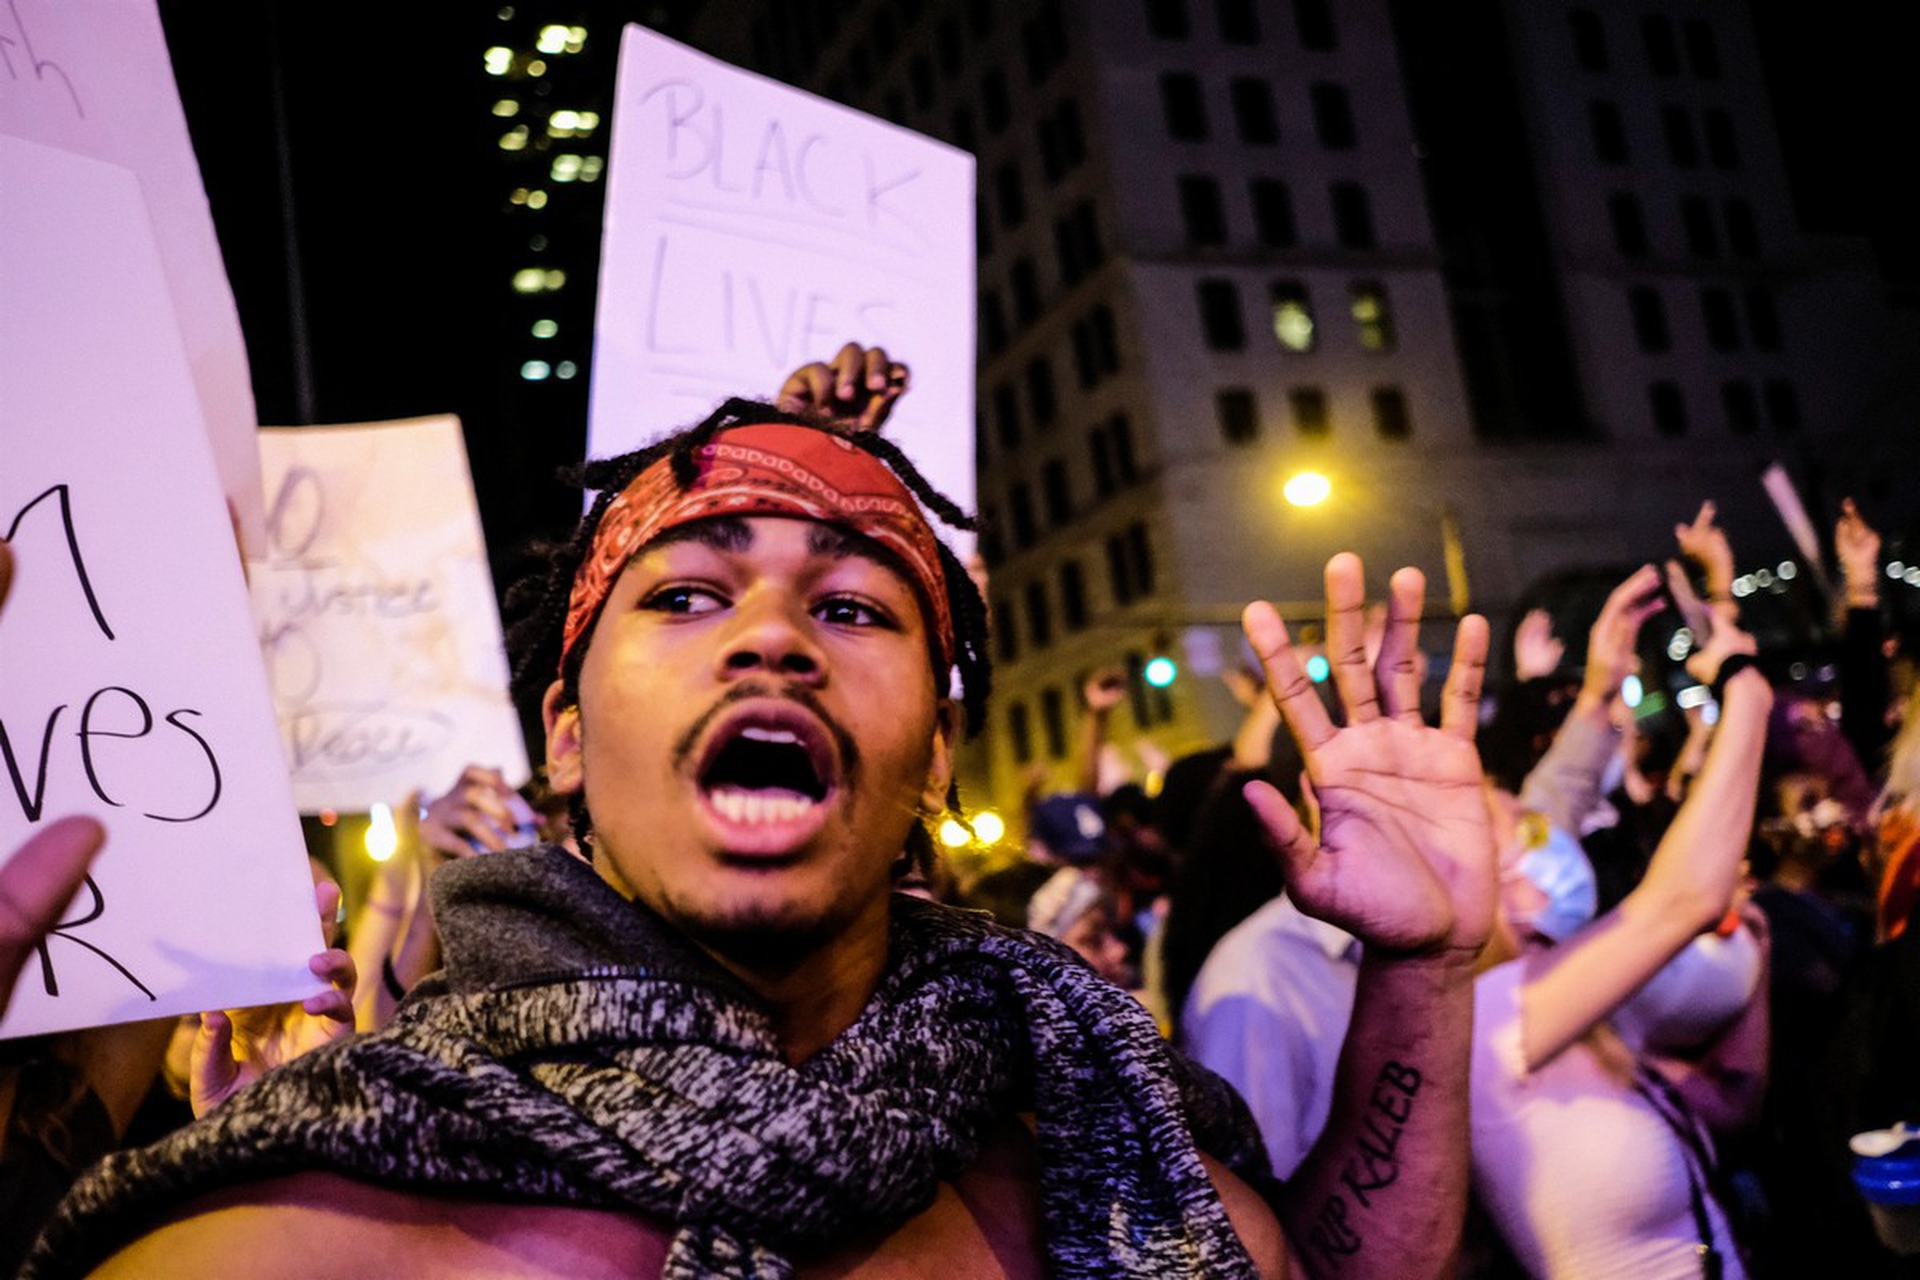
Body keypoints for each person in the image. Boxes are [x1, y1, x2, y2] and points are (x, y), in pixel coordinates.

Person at [30, 362, 1495, 1278]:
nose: (774, 636)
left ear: (935, 756)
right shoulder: (310, 1223)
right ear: (565, 737)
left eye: (854, 606)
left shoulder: (1101, 1135)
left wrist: (1423, 979)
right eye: (684, 595)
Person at [1469, 561, 1773, 1278]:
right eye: (1511, 825)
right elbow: (1684, 897)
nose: (1537, 836)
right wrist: (1745, 689)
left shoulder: (1566, 989)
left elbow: (1729, 1107)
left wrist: (1602, 685)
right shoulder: (1488, 1018)